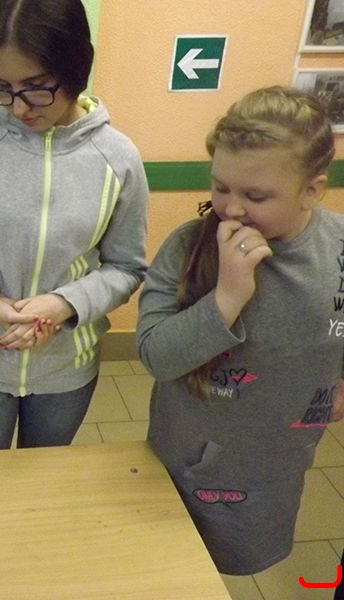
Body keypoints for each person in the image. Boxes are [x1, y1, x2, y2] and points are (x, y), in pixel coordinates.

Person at [0, 0, 148, 451]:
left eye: (36, 88)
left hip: (66, 369)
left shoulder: (118, 159)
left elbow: (127, 267)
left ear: (75, 68)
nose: (19, 107)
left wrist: (63, 304)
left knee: (42, 483)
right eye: (3, 87)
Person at [137, 85, 344, 576]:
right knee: (169, 569)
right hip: (189, 463)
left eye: (256, 196)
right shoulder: (187, 247)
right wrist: (227, 298)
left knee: (233, 566)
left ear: (312, 190)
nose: (231, 208)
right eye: (221, 187)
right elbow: (156, 355)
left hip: (278, 464)